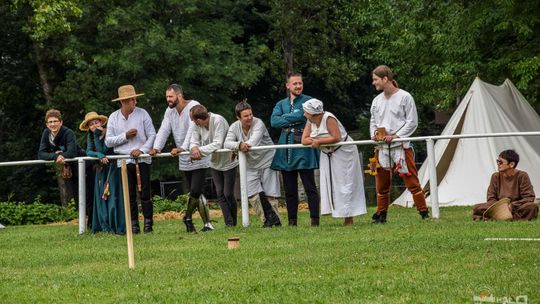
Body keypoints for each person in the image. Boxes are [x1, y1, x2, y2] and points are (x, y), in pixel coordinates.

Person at [369, 65, 429, 223]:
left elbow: (412, 122)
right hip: (382, 147)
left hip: (400, 146)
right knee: (381, 183)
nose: (373, 83)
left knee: (412, 181)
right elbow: (373, 121)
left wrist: (397, 135)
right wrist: (374, 134)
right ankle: (381, 214)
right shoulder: (376, 100)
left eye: (375, 79)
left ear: (385, 79)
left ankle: (424, 212)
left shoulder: (405, 97)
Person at [149, 84, 212, 233]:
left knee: (196, 191)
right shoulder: (169, 112)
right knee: (194, 193)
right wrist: (157, 147)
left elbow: (193, 129)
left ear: (179, 95)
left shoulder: (194, 105)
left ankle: (187, 217)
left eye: (170, 97)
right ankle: (206, 224)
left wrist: (183, 148)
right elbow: (164, 129)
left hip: (198, 154)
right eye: (166, 97)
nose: (168, 100)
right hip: (183, 157)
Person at [301, 98, 367, 225]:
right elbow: (304, 140)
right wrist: (315, 141)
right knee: (332, 183)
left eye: (306, 112)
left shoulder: (329, 118)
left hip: (344, 153)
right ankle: (337, 211)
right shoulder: (310, 121)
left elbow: (336, 137)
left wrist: (318, 141)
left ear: (313, 113)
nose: (304, 114)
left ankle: (349, 217)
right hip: (328, 153)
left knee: (346, 182)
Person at [271, 72, 320, 226]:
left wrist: (287, 118)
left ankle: (314, 220)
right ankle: (292, 222)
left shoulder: (309, 100)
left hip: (303, 146)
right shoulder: (281, 104)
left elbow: (303, 117)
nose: (298, 86)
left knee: (310, 187)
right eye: (295, 84)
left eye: (300, 83)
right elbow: (274, 121)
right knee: (290, 190)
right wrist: (294, 117)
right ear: (288, 85)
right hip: (286, 147)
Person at [105, 85, 156, 234]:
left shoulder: (143, 114)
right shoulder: (114, 117)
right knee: (129, 195)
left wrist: (141, 150)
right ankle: (133, 225)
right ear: (124, 101)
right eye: (131, 99)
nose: (135, 101)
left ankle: (148, 224)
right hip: (123, 160)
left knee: (145, 192)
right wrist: (125, 136)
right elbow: (108, 141)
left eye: (134, 98)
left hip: (142, 159)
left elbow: (152, 135)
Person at [225, 101, 282, 227]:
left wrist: (239, 147)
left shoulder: (259, 123)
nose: (249, 117)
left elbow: (253, 142)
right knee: (252, 194)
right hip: (249, 164)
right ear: (238, 117)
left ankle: (276, 221)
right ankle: (267, 220)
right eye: (245, 116)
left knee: (270, 193)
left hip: (267, 160)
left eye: (250, 114)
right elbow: (226, 143)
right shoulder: (234, 127)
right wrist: (238, 146)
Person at [38, 109, 93, 225]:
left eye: (55, 121)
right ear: (47, 124)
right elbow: (41, 154)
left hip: (84, 165)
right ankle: (83, 224)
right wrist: (56, 156)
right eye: (50, 122)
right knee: (77, 196)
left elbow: (72, 152)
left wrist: (59, 155)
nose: (53, 124)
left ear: (61, 122)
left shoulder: (68, 132)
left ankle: (93, 223)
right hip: (71, 167)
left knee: (88, 195)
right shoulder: (46, 134)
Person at [190, 104, 238, 228]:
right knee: (220, 194)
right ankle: (229, 224)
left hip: (229, 161)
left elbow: (218, 143)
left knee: (228, 193)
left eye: (193, 120)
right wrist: (194, 147)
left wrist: (199, 150)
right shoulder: (196, 125)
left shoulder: (218, 120)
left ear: (199, 120)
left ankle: (234, 220)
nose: (193, 123)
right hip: (214, 163)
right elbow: (194, 140)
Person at [80, 111, 126, 234]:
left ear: (101, 122)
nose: (94, 125)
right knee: (102, 197)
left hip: (112, 168)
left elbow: (104, 149)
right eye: (91, 124)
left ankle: (116, 226)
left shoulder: (108, 133)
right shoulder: (90, 136)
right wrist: (98, 155)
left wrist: (97, 139)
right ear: (88, 127)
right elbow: (89, 151)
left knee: (112, 197)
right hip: (101, 169)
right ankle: (103, 225)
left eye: (96, 122)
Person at [472, 150, 538, 221]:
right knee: (477, 208)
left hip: (516, 207)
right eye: (497, 161)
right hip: (498, 207)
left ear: (511, 164)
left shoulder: (522, 175)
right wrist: (500, 207)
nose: (498, 164)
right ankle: (506, 217)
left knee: (532, 207)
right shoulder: (495, 176)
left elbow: (529, 197)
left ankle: (498, 218)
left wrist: (512, 205)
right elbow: (491, 198)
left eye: (500, 162)